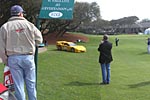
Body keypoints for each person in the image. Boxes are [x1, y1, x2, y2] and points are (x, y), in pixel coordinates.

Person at [0, 5, 43, 100]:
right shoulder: (30, 25)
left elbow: (1, 47)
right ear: (20, 13)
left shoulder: (5, 27)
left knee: (18, 85)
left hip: (13, 58)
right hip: (28, 57)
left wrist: (5, 60)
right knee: (31, 84)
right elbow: (39, 40)